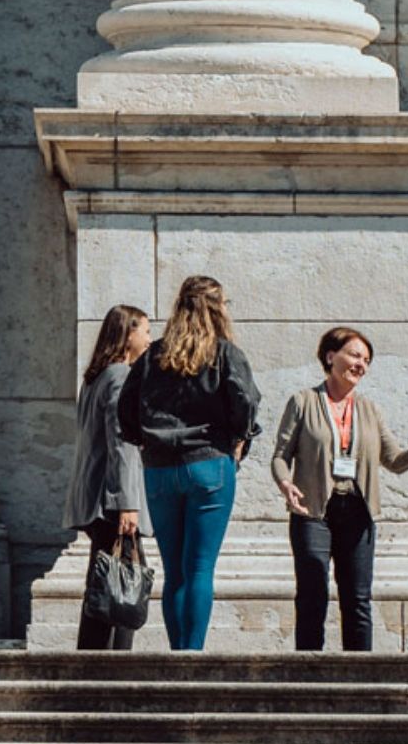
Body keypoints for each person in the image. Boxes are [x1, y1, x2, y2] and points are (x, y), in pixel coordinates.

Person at [271, 327, 408, 651]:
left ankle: (361, 680)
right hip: (312, 510)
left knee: (358, 599)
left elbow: (395, 461)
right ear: (331, 356)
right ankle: (307, 678)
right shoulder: (303, 402)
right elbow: (280, 455)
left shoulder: (370, 410)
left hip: (357, 512)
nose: (361, 364)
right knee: (312, 597)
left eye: (367, 360)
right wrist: (285, 483)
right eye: (355, 355)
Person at [116, 275, 261, 651]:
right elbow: (244, 400)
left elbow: (125, 410)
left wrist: (145, 440)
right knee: (199, 568)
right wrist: (239, 437)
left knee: (174, 571)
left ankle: (176, 655)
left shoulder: (153, 355)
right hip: (210, 463)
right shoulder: (225, 353)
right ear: (217, 308)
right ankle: (191, 656)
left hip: (160, 468)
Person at [64, 304, 152, 651]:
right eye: (144, 330)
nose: (149, 338)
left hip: (96, 497)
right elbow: (122, 443)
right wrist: (127, 503)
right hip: (113, 499)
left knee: (104, 582)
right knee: (125, 584)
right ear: (128, 334)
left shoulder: (95, 378)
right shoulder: (119, 376)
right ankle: (113, 664)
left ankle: (94, 658)